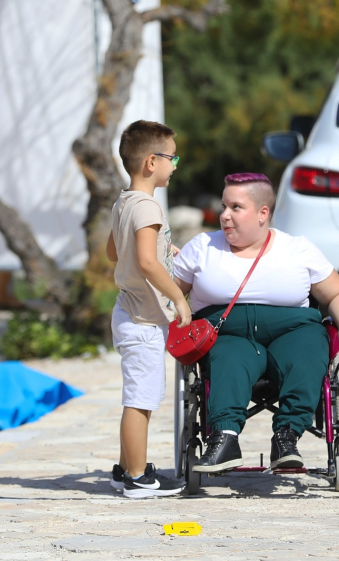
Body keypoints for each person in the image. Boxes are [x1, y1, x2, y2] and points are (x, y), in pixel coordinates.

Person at [173, 173, 339, 473]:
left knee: (309, 351)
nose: (225, 215)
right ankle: (224, 439)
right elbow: (169, 293)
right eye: (223, 206)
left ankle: (287, 436)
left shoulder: (297, 249)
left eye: (236, 207)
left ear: (263, 213)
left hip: (292, 331)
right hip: (228, 334)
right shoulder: (202, 247)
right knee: (229, 359)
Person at [105, 120, 192, 498]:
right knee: (140, 401)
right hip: (143, 320)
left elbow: (114, 251)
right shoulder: (148, 207)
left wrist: (161, 248)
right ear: (151, 162)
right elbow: (145, 262)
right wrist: (178, 297)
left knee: (139, 396)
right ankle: (138, 479)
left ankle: (125, 469)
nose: (175, 165)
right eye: (173, 158)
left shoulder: (124, 202)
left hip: (128, 311)